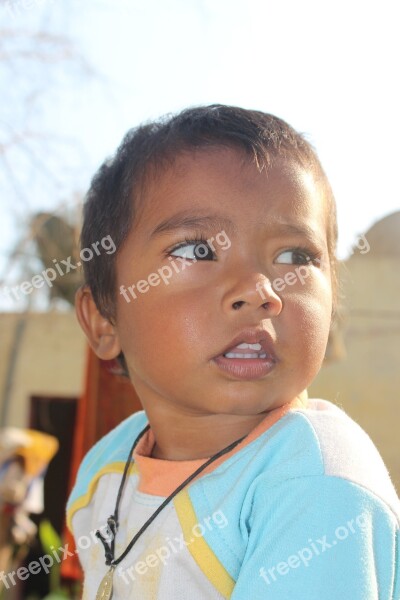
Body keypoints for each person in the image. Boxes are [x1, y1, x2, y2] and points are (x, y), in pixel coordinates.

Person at [67, 105, 400, 599]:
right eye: (197, 251)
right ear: (103, 320)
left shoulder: (317, 482)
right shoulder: (104, 469)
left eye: (295, 256)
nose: (259, 289)